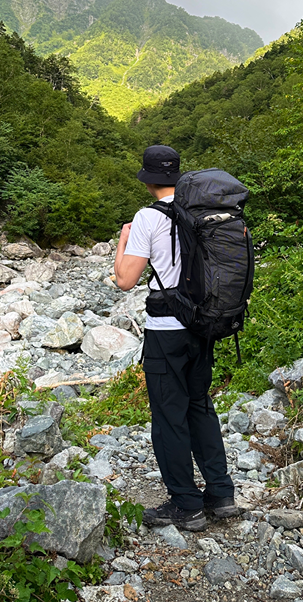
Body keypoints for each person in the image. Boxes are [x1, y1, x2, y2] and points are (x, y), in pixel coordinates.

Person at [114, 144, 237, 532]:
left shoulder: (147, 218)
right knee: (200, 407)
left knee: (169, 417)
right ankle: (221, 494)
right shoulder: (205, 212)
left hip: (166, 332)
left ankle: (186, 504)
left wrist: (123, 239)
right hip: (204, 326)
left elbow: (124, 280)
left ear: (148, 179)